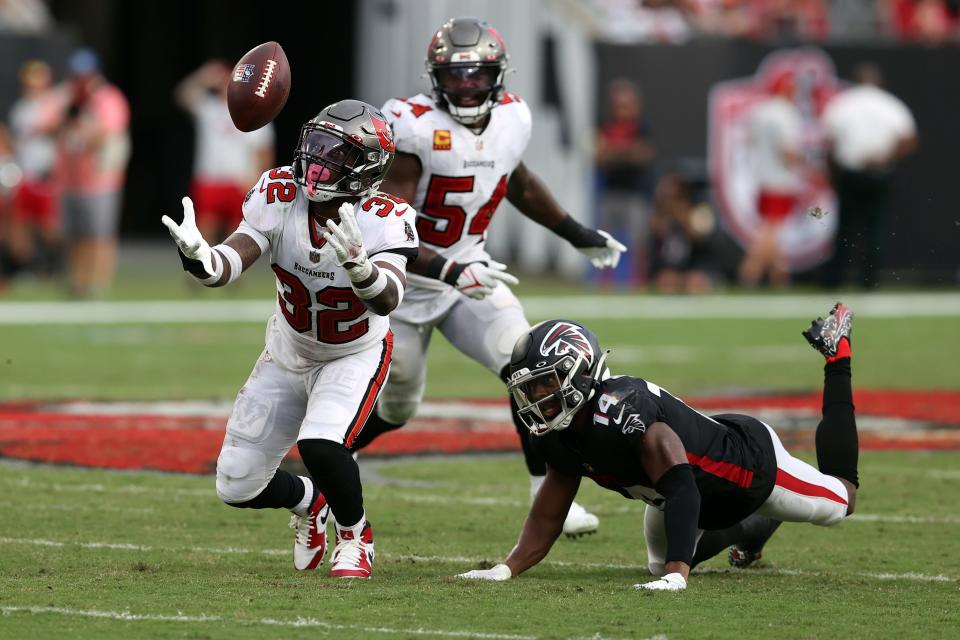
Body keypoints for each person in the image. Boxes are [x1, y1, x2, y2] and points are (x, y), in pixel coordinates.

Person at [350, 16, 626, 538]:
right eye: (457, 76)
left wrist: (575, 232)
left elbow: (516, 183)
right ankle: (325, 458)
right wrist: (453, 268)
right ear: (436, 77)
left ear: (498, 74)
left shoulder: (512, 118)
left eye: (478, 74)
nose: (468, 85)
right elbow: (388, 229)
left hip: (470, 273)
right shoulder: (410, 126)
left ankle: (549, 498)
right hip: (399, 283)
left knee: (528, 364)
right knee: (400, 403)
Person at [161, 100, 419, 579]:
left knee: (321, 442)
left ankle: (355, 534)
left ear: (364, 169)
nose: (316, 163)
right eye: (315, 147)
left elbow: (388, 299)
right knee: (236, 485)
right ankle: (310, 501)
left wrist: (362, 271)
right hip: (288, 349)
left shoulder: (388, 216)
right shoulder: (278, 192)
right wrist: (200, 258)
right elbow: (229, 265)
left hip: (354, 353)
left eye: (334, 154)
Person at [457, 302, 858, 591]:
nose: (537, 397)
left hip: (748, 467)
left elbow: (683, 483)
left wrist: (679, 573)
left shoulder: (623, 409)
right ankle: (755, 526)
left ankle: (837, 353)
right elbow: (548, 514)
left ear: (578, 373)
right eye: (529, 388)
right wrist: (505, 569)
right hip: (677, 495)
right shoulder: (559, 432)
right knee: (656, 567)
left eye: (545, 383)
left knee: (842, 502)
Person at [820, 62, 916, 289]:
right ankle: (869, 281)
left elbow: (830, 144)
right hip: (880, 173)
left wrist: (833, 176)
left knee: (845, 229)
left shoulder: (842, 104)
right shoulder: (890, 104)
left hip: (851, 174)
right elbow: (909, 139)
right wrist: (885, 158)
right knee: (875, 228)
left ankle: (835, 280)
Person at [55, 48, 130, 297]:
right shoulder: (66, 96)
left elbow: (109, 132)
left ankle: (99, 283)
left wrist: (81, 126)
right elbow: (45, 123)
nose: (80, 80)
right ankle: (77, 281)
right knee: (74, 234)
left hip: (100, 178)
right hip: (69, 178)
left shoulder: (108, 98)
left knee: (99, 234)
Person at [175, 60, 275, 244]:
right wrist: (204, 76)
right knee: (202, 237)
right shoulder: (209, 108)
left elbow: (264, 150)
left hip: (239, 180)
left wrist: (258, 182)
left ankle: (230, 272)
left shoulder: (253, 111)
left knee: (237, 237)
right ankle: (204, 272)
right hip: (209, 179)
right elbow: (182, 95)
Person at [738, 68, 805, 289]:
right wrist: (808, 167)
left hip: (762, 176)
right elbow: (787, 151)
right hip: (781, 177)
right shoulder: (785, 113)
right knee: (771, 230)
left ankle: (779, 278)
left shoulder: (760, 112)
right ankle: (750, 273)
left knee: (772, 230)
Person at [594, 78, 656, 287]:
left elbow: (643, 155)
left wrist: (615, 153)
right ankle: (605, 285)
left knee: (638, 243)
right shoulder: (605, 124)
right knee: (605, 243)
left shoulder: (642, 126)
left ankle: (637, 284)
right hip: (610, 192)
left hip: (634, 193)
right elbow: (599, 157)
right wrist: (626, 153)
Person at [7, 60, 62, 278]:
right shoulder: (20, 109)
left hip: (46, 173)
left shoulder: (53, 105)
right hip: (25, 173)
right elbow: (17, 142)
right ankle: (27, 268)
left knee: (49, 226)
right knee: (20, 225)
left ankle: (56, 267)